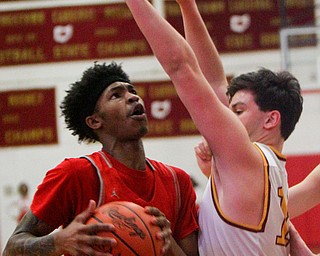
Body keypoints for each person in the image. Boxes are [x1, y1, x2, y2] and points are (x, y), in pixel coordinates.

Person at [124, 0, 314, 255]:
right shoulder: (274, 173)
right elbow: (214, 81)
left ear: (270, 120)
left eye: (238, 111)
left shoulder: (246, 157)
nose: (228, 116)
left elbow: (181, 67)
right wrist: (187, 7)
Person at [3, 62, 199, 256]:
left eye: (132, 91)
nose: (132, 97)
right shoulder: (75, 174)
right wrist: (58, 242)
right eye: (116, 95)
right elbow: (11, 248)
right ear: (95, 121)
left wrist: (167, 242)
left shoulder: (177, 181)